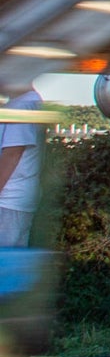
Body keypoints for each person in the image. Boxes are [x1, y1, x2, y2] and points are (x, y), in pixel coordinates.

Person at [0, 90, 42, 248]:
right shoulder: (23, 102)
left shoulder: (22, 104)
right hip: (13, 201)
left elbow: (11, 155)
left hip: (8, 202)